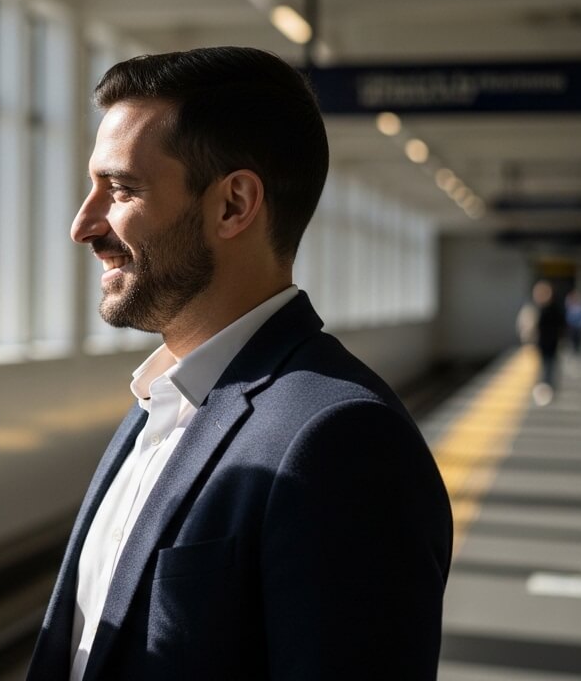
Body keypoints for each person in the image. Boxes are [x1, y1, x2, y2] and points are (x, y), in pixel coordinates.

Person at [26, 48, 452, 680]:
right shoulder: (157, 405)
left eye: (119, 190)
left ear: (233, 205)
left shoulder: (342, 441)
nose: (83, 225)